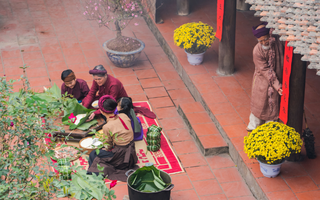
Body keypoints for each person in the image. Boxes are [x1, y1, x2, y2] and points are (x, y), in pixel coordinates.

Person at [87, 95, 138, 181]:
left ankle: (95, 173)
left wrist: (103, 148)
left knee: (94, 154)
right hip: (132, 153)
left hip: (121, 156)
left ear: (102, 112)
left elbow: (108, 146)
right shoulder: (124, 115)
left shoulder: (107, 126)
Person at [247, 22, 284, 131]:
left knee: (273, 109)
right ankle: (253, 128)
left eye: (266, 39)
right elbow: (266, 71)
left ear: (270, 36)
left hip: (277, 80)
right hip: (262, 82)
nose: (264, 42)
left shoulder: (277, 43)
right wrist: (278, 86)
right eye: (260, 41)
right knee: (259, 106)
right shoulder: (257, 51)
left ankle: (270, 130)